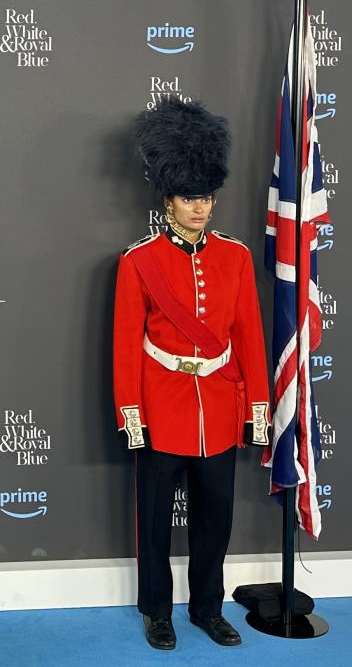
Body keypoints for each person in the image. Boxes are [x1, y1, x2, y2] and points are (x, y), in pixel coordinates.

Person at [113, 97, 271, 650]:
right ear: (168, 199)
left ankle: (207, 608)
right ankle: (158, 611)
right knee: (154, 523)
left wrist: (256, 408)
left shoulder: (236, 257)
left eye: (206, 196)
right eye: (189, 197)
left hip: (220, 408)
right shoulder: (139, 262)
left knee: (215, 521)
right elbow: (127, 346)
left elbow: (249, 335)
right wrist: (132, 413)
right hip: (161, 404)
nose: (201, 207)